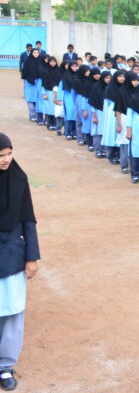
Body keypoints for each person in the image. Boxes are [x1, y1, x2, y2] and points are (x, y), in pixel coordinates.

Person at [0, 133, 41, 392]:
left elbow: (29, 218)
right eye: (1, 155)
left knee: (13, 311)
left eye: (9, 154)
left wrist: (32, 256)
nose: (6, 160)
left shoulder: (18, 179)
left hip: (13, 253)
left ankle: (5, 366)